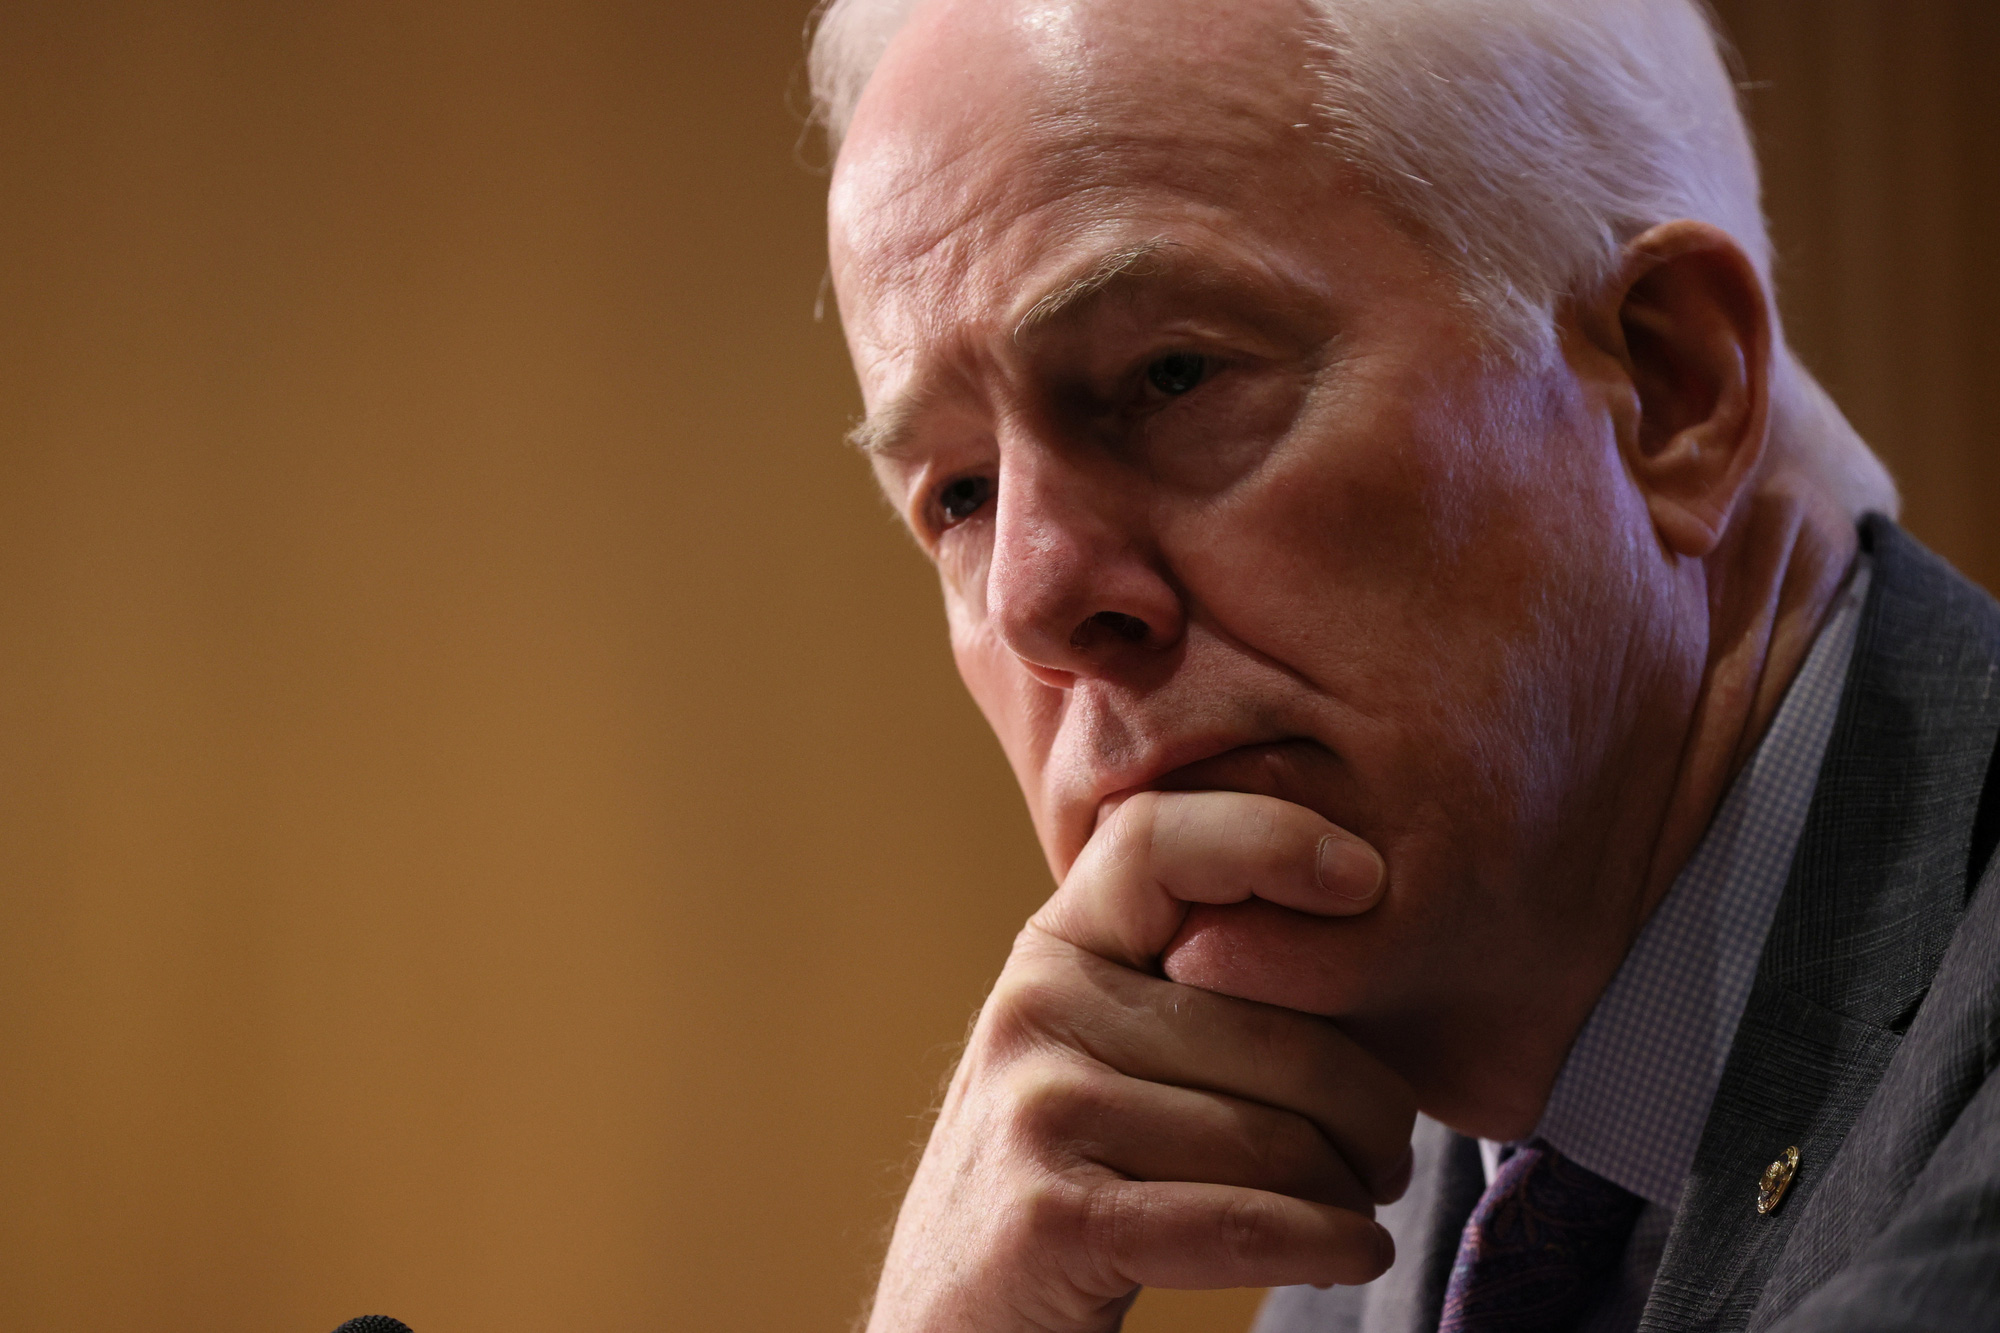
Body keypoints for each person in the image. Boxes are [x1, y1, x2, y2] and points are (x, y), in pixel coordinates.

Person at [807, 0, 2000, 1328]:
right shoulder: (1381, 1245)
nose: (1034, 597)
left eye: (1172, 374)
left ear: (1671, 386)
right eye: (960, 495)